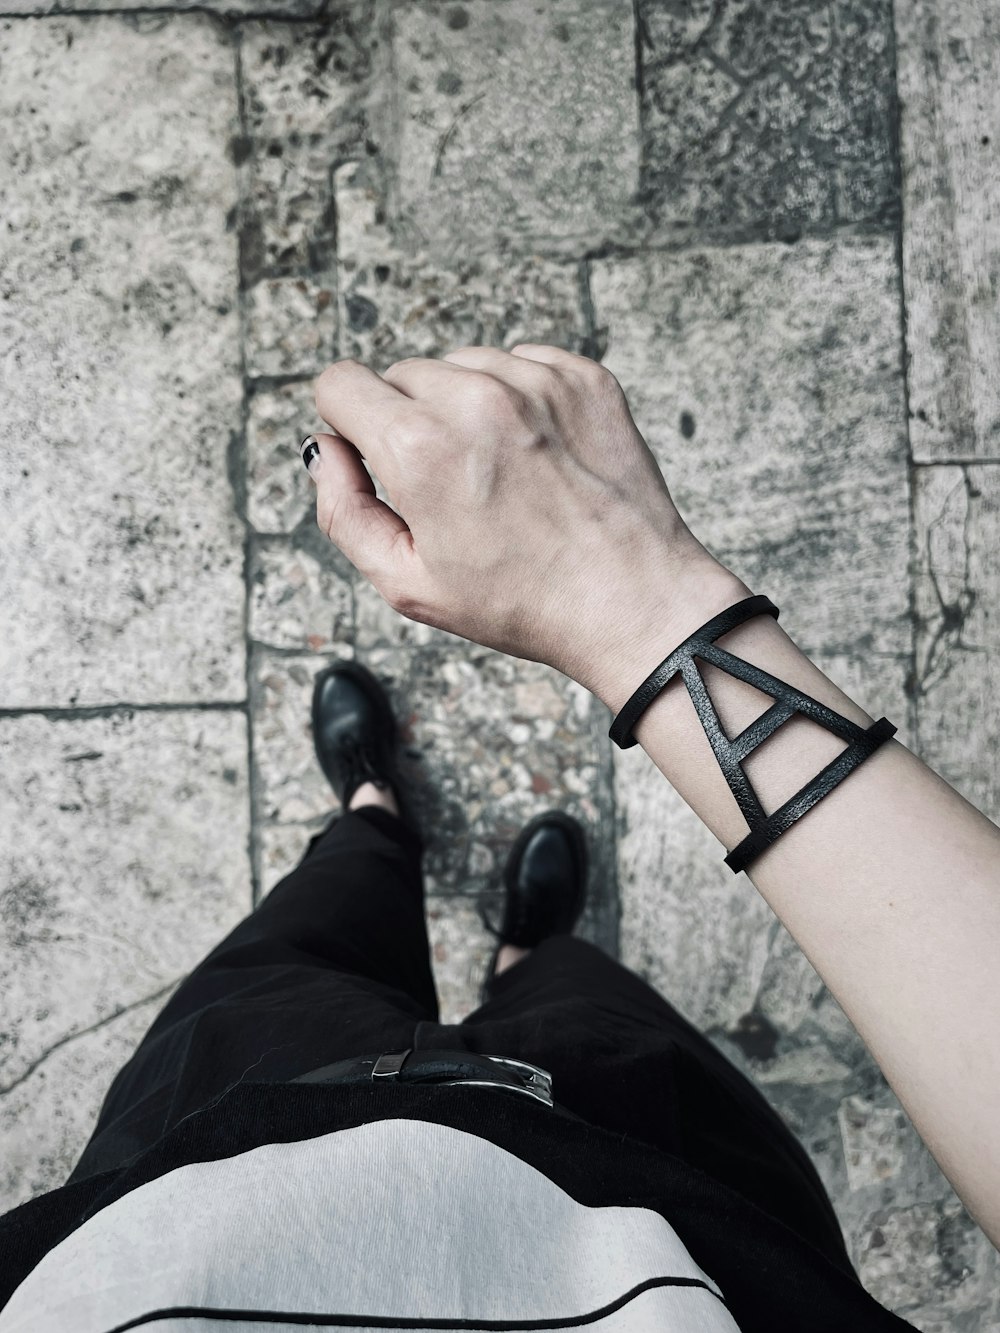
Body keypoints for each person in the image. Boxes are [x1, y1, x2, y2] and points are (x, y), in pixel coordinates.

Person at [1, 345, 997, 1333]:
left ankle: (373, 815)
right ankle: (528, 952)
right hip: (679, 1183)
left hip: (206, 1124)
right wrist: (643, 601)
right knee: (580, 990)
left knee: (316, 923)